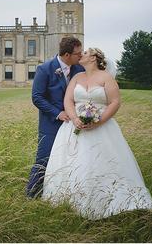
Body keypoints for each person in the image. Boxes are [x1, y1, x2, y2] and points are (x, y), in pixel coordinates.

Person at [41, 48, 152, 219]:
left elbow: (115, 102)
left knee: (102, 161)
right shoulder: (77, 77)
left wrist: (98, 121)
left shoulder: (106, 77)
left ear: (93, 58)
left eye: (85, 53)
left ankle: (107, 198)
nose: (81, 54)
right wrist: (74, 118)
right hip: (74, 126)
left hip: (101, 127)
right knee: (71, 161)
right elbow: (68, 100)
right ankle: (70, 199)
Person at [26, 37, 85, 198]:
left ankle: (65, 193)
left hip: (74, 123)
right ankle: (32, 195)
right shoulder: (44, 69)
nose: (81, 56)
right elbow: (37, 97)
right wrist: (58, 113)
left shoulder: (79, 69)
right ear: (67, 55)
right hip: (50, 124)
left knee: (71, 159)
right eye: (78, 54)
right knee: (44, 158)